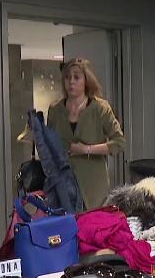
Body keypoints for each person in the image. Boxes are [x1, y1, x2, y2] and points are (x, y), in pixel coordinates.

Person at [47, 57, 126, 210]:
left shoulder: (100, 108)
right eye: (67, 77)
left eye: (76, 77)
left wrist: (86, 149)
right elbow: (50, 144)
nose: (71, 81)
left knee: (91, 227)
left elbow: (119, 142)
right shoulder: (55, 110)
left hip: (93, 185)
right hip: (63, 183)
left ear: (86, 81)